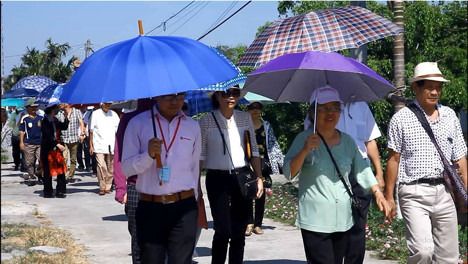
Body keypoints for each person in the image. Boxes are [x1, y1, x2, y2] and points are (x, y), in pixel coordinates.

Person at [283, 86, 390, 264]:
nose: (330, 112)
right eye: (324, 108)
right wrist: (304, 150)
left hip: (343, 218)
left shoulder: (347, 141)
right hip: (315, 218)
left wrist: (378, 192)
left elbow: (361, 169)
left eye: (335, 108)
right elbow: (289, 173)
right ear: (313, 112)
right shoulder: (303, 139)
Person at [384, 62, 467, 263]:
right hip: (413, 191)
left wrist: (465, 191)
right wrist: (389, 197)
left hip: (445, 191)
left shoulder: (450, 116)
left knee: (449, 257)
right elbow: (393, 160)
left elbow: (460, 156)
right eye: (429, 86)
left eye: (438, 87)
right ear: (416, 87)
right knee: (422, 251)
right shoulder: (401, 118)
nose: (434, 92)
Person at [121, 92, 201, 264]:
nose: (175, 101)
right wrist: (147, 155)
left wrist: (194, 200)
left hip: (184, 207)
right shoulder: (138, 123)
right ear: (156, 96)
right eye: (168, 96)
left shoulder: (192, 126)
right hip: (151, 207)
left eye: (180, 96)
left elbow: (194, 168)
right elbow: (126, 168)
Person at [198, 85, 264, 264]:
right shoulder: (206, 120)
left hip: (242, 177)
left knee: (239, 230)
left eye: (235, 93)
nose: (231, 97)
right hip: (217, 178)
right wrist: (196, 186)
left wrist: (259, 178)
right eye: (226, 93)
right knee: (222, 230)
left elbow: (254, 152)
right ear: (217, 96)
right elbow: (200, 156)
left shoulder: (244, 118)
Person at [114, 98, 154, 264]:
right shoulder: (130, 119)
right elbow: (119, 155)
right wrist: (121, 188)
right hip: (136, 187)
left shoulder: (173, 118)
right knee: (139, 240)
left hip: (166, 188)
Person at [245, 101, 284, 236]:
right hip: (246, 162)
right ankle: (248, 223)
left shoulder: (266, 126)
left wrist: (278, 160)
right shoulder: (243, 125)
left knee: (260, 194)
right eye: (252, 108)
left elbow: (272, 143)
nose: (255, 110)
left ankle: (257, 224)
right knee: (248, 192)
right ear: (247, 109)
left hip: (262, 163)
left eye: (258, 108)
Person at [89, 102, 120, 195]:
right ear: (102, 104)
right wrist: (91, 145)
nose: (108, 106)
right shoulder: (95, 114)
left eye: (109, 104)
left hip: (111, 144)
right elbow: (91, 130)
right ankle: (102, 186)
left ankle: (108, 186)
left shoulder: (114, 115)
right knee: (101, 165)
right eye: (106, 104)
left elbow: (118, 131)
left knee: (111, 167)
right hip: (98, 144)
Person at [41, 104, 69, 198]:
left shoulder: (55, 120)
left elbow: (64, 127)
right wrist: (56, 144)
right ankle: (48, 192)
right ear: (51, 110)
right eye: (56, 108)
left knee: (60, 169)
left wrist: (66, 116)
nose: (57, 110)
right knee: (48, 171)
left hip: (57, 148)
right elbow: (47, 135)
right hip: (48, 149)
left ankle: (60, 191)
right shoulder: (44, 121)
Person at [56, 103, 85, 183]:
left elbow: (81, 122)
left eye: (62, 103)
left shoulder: (76, 111)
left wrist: (82, 134)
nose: (60, 104)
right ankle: (65, 175)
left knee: (73, 159)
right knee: (64, 158)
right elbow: (58, 124)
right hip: (64, 138)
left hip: (74, 138)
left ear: (67, 104)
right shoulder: (60, 113)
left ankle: (71, 175)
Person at [19, 98, 44, 186]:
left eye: (35, 107)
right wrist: (21, 142)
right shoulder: (25, 119)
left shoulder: (41, 118)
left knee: (42, 160)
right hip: (29, 143)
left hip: (40, 142)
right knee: (29, 162)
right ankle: (32, 178)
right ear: (28, 108)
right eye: (32, 107)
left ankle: (39, 173)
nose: (34, 109)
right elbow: (22, 131)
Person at [77, 106, 93, 172]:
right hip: (78, 134)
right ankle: (81, 165)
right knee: (78, 151)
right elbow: (83, 124)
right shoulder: (77, 112)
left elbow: (84, 124)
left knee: (87, 151)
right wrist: (81, 134)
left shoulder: (89, 113)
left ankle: (88, 165)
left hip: (86, 134)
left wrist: (84, 133)